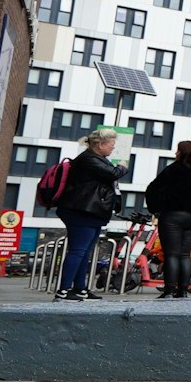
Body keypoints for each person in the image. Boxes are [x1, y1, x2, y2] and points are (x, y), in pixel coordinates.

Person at [53, 128, 125, 301]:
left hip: (91, 212)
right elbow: (113, 173)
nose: (112, 148)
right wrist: (122, 166)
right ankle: (63, 290)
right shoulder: (88, 160)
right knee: (78, 251)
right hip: (81, 211)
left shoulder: (96, 159)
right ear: (100, 144)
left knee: (84, 252)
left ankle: (80, 289)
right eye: (111, 144)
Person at [145, 140, 191, 298]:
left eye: (178, 151)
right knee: (185, 254)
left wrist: (156, 208)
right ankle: (183, 291)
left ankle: (169, 290)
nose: (176, 154)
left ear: (182, 153)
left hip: (173, 215)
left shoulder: (173, 170)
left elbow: (152, 189)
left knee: (171, 254)